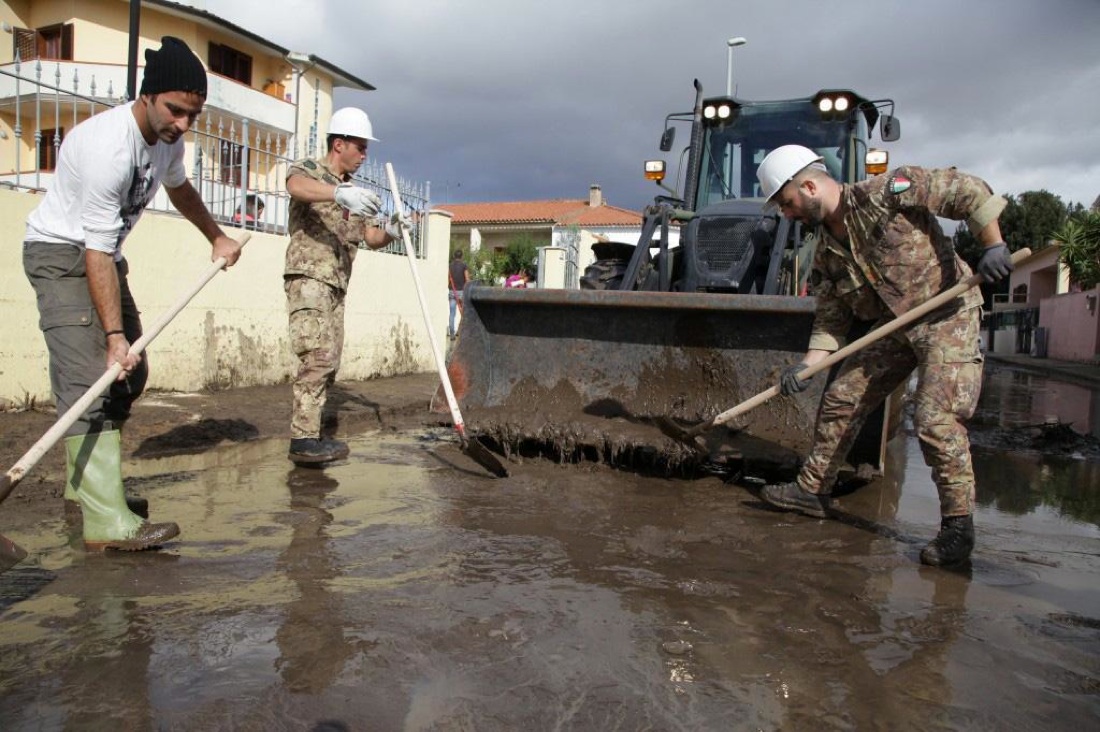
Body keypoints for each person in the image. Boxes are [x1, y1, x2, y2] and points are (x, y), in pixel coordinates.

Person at [22, 36, 245, 551]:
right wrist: (113, 335)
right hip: (62, 255)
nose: (183, 125)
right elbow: (95, 252)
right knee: (94, 377)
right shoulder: (108, 147)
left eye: (193, 114)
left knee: (133, 370)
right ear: (147, 96)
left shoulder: (167, 141)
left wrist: (216, 236)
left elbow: (179, 188)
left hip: (102, 256)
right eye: (175, 110)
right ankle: (106, 524)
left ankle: (90, 490)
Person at [753, 144, 1014, 567]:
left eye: (787, 203)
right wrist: (806, 366)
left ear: (808, 185)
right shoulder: (826, 253)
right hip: (896, 327)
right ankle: (811, 491)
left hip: (947, 313)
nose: (787, 214)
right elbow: (831, 323)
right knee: (842, 397)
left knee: (936, 420)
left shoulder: (888, 191)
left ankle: (957, 531)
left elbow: (968, 192)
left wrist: (993, 245)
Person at [283, 107, 404, 466]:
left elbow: (368, 236)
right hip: (309, 279)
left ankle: (311, 434)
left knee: (330, 360)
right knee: (316, 355)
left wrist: (393, 232)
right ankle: (302, 440)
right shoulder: (310, 171)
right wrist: (336, 194)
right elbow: (294, 186)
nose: (365, 156)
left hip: (337, 285)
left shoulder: (356, 194)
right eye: (361, 148)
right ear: (340, 144)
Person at [448, 249, 468, 339]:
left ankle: (452, 334)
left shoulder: (450, 266)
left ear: (454, 256)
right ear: (462, 256)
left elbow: (448, 278)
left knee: (452, 313)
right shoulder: (464, 266)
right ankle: (459, 332)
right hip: (461, 292)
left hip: (452, 292)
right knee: (463, 313)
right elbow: (467, 279)